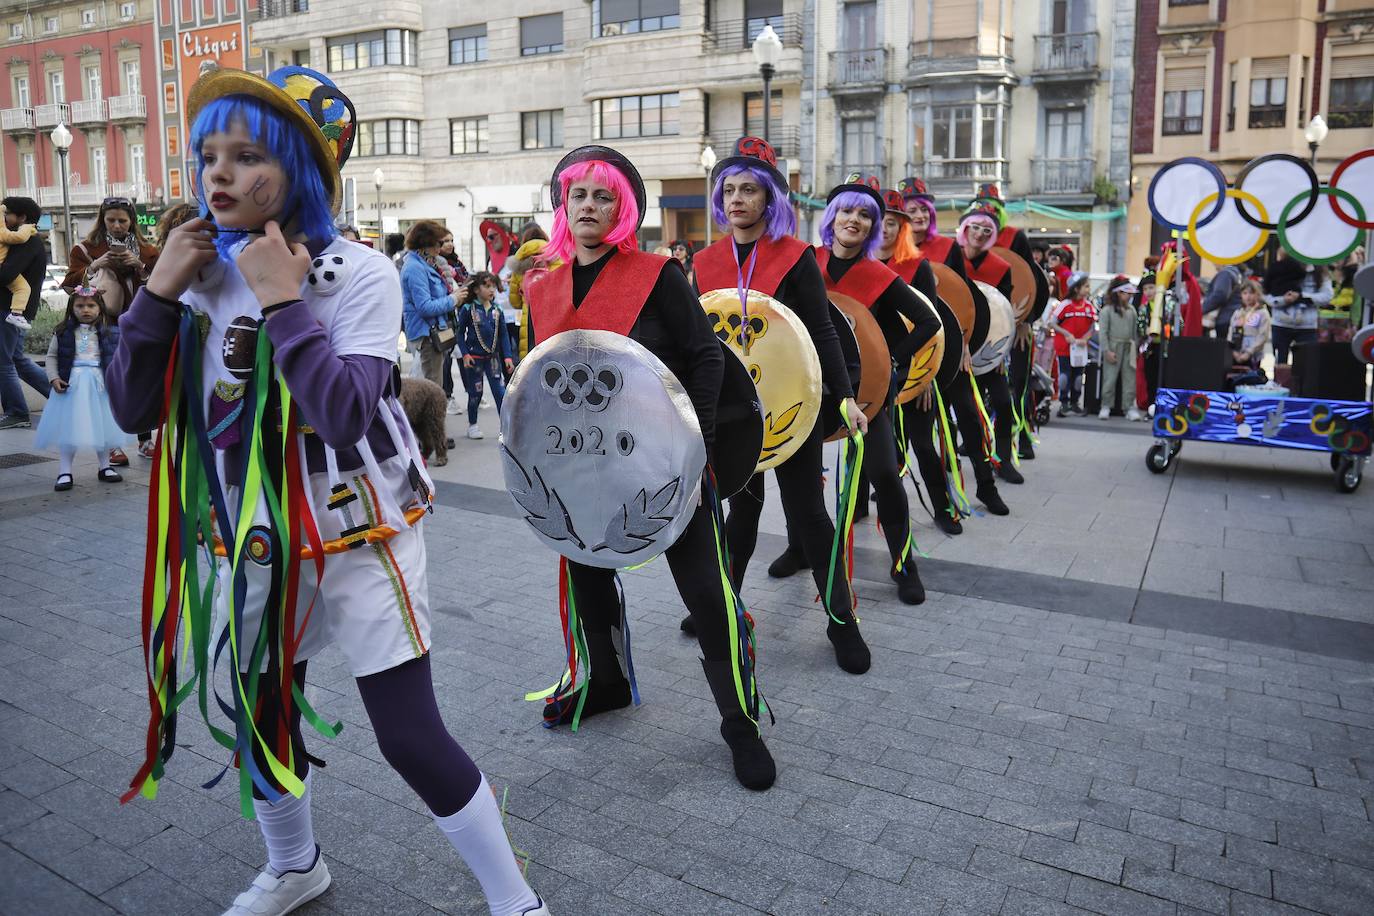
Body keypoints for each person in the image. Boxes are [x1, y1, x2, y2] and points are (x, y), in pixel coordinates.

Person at [107, 65, 547, 916]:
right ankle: (295, 864)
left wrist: (281, 300)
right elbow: (131, 406)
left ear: (302, 170)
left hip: (356, 531)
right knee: (261, 710)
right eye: (209, 157)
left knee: (409, 734)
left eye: (246, 156)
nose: (219, 175)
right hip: (250, 532)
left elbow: (345, 413)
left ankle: (515, 900)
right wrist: (159, 289)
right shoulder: (195, 273)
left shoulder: (360, 271)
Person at [522, 144, 776, 790]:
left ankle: (740, 722)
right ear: (562, 206)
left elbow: (706, 359)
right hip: (579, 470)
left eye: (602, 196)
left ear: (623, 208)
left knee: (706, 595)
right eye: (577, 194)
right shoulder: (541, 286)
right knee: (589, 579)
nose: (588, 206)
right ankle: (606, 681)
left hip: (668, 464)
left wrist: (699, 458)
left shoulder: (658, 275)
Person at [691, 138, 872, 674]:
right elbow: (695, 342)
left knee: (809, 516)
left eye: (750, 189)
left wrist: (844, 400)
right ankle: (721, 607)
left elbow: (822, 330)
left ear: (769, 199)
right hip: (731, 411)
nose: (739, 198)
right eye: (730, 190)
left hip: (794, 405)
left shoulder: (795, 258)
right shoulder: (703, 262)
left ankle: (842, 621)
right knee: (738, 512)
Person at [813, 177, 937, 604]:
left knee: (884, 472)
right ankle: (797, 548)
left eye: (866, 215)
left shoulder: (880, 275)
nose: (856, 220)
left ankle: (904, 563)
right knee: (804, 479)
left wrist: (893, 361)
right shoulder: (804, 263)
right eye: (848, 211)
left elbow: (929, 321)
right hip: (813, 387)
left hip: (867, 392)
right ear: (832, 217)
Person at [901, 177, 1010, 520]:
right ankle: (883, 487)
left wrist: (964, 342)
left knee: (967, 413)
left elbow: (966, 300)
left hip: (950, 348)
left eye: (923, 209)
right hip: (911, 351)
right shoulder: (890, 250)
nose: (918, 215)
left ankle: (985, 484)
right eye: (911, 209)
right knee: (910, 428)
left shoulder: (947, 248)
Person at [877, 188, 967, 536]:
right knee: (869, 449)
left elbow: (934, 326)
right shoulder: (862, 265)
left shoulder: (918, 266)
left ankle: (943, 509)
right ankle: (855, 509)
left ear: (901, 228)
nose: (884, 229)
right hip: (873, 375)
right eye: (880, 221)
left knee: (924, 445)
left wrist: (925, 378)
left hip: (914, 372)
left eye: (891, 223)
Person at [36, 286, 128, 489]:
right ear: (71, 308)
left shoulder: (110, 332)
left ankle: (105, 466)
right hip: (72, 385)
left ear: (100, 308)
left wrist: (119, 381)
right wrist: (54, 378)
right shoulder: (62, 332)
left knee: (102, 427)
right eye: (80, 305)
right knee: (69, 429)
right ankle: (65, 471)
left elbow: (119, 359)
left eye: (90, 305)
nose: (85, 310)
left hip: (99, 385)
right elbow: (51, 357)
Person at [958, 206, 1024, 484]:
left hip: (989, 344)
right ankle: (950, 453)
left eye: (987, 230)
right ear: (964, 229)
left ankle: (1004, 460)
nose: (979, 234)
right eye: (975, 227)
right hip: (955, 342)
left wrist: (999, 354)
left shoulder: (1001, 267)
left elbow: (1003, 313)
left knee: (1002, 402)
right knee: (955, 406)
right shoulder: (950, 258)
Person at [61, 196, 160, 316]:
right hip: (101, 323)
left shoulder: (149, 251)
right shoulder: (84, 250)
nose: (117, 226)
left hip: (140, 320)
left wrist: (140, 267)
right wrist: (93, 267)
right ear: (103, 220)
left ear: (131, 221)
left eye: (122, 221)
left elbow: (161, 288)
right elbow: (69, 286)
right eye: (111, 220)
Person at [0, 196, 50, 431]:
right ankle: (61, 397)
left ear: (21, 217)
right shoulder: (25, 240)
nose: (4, 216)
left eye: (8, 213)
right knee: (17, 359)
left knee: (4, 361)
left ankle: (17, 412)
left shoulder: (28, 241)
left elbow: (6, 274)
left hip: (10, 310)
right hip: (14, 309)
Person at [400, 219, 462, 387]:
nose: (441, 247)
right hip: (427, 335)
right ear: (425, 243)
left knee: (434, 387)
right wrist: (454, 299)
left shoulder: (424, 264)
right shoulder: (415, 268)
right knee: (432, 391)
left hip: (433, 333)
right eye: (439, 242)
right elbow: (425, 307)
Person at [456, 270, 511, 439]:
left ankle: (506, 428)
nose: (491, 289)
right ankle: (472, 425)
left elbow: (504, 335)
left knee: (499, 392)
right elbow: (459, 334)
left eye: (493, 286)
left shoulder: (497, 310)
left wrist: (507, 357)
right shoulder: (468, 309)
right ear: (476, 290)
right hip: (475, 359)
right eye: (486, 286)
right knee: (475, 394)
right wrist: (465, 354)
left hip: (493, 359)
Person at [1267, 251, 1331, 364]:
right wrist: (1283, 300)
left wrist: (1302, 297)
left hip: (1307, 325)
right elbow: (1266, 293)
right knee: (1280, 363)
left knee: (1306, 364)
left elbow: (1327, 296)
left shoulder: (1319, 270)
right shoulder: (1280, 267)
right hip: (1281, 323)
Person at [1097, 275, 1141, 421]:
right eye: (1126, 293)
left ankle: (1129, 407)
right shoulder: (1107, 311)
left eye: (1130, 293)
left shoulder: (1132, 311)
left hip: (1129, 347)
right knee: (1110, 378)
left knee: (1130, 378)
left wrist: (1136, 347)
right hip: (1113, 346)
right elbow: (1103, 332)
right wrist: (1106, 350)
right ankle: (1105, 405)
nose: (1128, 296)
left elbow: (1134, 332)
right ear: (1118, 293)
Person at [1051, 273, 1096, 416]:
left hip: (1080, 349)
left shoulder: (1089, 307)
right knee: (1064, 376)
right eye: (1086, 286)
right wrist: (1066, 334)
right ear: (1076, 289)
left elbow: (1093, 326)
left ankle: (1075, 402)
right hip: (1064, 348)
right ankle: (1063, 403)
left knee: (1078, 377)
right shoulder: (1065, 305)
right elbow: (1052, 323)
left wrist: (1086, 338)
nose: (1088, 289)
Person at [509, 223, 551, 359]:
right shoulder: (556, 256)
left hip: (529, 318)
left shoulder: (519, 262)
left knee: (529, 360)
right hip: (551, 316)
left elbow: (514, 302)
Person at [0, 204, 37, 330]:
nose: (5, 218)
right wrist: (27, 228)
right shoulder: (2, 232)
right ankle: (16, 313)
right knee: (23, 288)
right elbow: (20, 237)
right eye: (4, 215)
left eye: (7, 214)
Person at [1228, 279, 1271, 375]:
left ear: (1258, 295)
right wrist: (1232, 351)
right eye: (1245, 293)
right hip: (1236, 353)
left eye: (1251, 293)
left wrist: (1249, 352)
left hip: (1252, 354)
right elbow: (1230, 332)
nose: (1248, 296)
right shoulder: (1238, 313)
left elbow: (1263, 336)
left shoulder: (1262, 313)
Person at [1321, 248, 1363, 343]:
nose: (1337, 259)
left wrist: (1355, 324)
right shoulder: (1325, 274)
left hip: (1343, 321)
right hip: (1323, 319)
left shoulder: (1353, 277)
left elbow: (1357, 303)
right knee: (1321, 351)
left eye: (1340, 257)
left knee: (1340, 351)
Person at [1202, 262, 1245, 340]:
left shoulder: (1225, 274)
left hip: (1224, 318)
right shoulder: (1236, 273)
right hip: (1232, 317)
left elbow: (1219, 296)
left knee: (1223, 348)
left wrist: (1201, 309)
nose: (1213, 264)